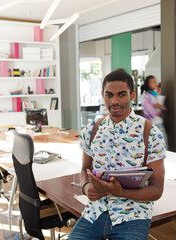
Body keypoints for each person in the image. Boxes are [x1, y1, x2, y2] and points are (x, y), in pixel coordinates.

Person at [69, 70, 166, 240]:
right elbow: (85, 169)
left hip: (133, 215)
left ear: (132, 95)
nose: (114, 101)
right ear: (102, 95)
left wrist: (121, 192)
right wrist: (85, 188)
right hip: (95, 212)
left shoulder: (149, 133)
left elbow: (157, 190)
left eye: (121, 95)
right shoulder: (91, 130)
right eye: (109, 95)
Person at [140, 75, 168, 145]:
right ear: (148, 84)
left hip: (159, 123)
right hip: (151, 125)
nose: (155, 84)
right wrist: (159, 109)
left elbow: (164, 109)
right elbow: (152, 112)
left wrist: (160, 107)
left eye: (155, 82)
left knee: (164, 145)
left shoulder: (156, 95)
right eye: (152, 82)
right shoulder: (146, 96)